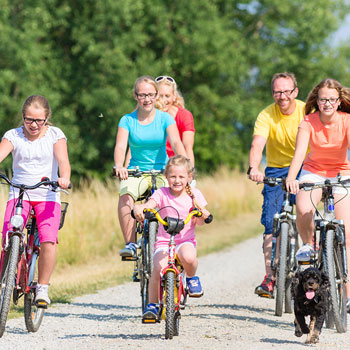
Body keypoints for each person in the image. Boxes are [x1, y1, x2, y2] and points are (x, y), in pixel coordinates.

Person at [285, 78, 350, 311]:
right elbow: (300, 153)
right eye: (323, 99)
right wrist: (292, 178)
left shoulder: (347, 121)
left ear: (339, 100)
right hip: (313, 172)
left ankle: (347, 294)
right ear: (317, 100)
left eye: (332, 99)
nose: (327, 103)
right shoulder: (308, 122)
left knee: (347, 232)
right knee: (303, 208)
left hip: (342, 173)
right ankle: (307, 245)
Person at [0, 95, 71, 305]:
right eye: (28, 119)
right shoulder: (13, 135)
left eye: (39, 120)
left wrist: (64, 178)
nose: (33, 124)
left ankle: (42, 287)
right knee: (7, 236)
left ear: (47, 118)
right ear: (22, 117)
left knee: (48, 239)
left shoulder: (55, 135)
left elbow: (63, 161)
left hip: (47, 194)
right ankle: (8, 277)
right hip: (19, 193)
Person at [114, 75, 187, 258]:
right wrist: (119, 165)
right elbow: (121, 146)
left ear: (156, 96)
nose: (147, 99)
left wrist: (184, 164)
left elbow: (176, 143)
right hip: (136, 172)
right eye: (142, 95)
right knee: (125, 195)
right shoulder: (127, 120)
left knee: (173, 200)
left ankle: (172, 244)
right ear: (135, 96)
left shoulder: (165, 119)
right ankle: (130, 244)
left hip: (162, 171)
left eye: (151, 95)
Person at [248, 72, 305, 298]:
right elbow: (257, 144)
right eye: (277, 92)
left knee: (304, 212)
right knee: (271, 225)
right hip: (275, 170)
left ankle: (314, 260)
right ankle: (270, 277)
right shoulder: (266, 115)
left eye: (286, 91)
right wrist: (254, 168)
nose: (282, 96)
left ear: (295, 92)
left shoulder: (305, 111)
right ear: (273, 93)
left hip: (304, 168)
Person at [133, 155, 210, 321]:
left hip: (185, 241)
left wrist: (203, 215)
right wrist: (142, 207)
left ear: (190, 177)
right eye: (173, 176)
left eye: (181, 177)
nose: (177, 180)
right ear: (166, 177)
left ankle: (191, 278)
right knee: (157, 267)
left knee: (189, 257)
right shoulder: (162, 193)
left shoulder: (194, 195)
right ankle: (152, 305)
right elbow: (150, 205)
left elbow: (201, 222)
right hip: (164, 242)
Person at [155, 75, 195, 166]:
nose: (163, 100)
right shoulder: (148, 116)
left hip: (175, 165)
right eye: (160, 96)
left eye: (167, 96)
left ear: (174, 97)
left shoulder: (184, 116)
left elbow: (187, 147)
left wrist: (190, 172)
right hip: (153, 166)